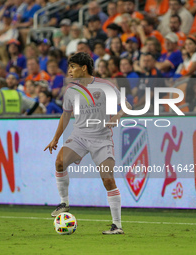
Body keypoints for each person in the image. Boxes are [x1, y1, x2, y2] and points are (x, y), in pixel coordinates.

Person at [44, 52, 132, 234]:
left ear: (83, 68)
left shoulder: (105, 86)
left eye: (73, 67)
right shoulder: (70, 91)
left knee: (108, 180)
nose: (69, 71)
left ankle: (117, 226)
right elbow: (66, 115)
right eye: (69, 67)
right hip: (79, 136)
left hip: (101, 138)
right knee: (60, 162)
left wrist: (117, 116)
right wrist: (55, 138)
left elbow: (127, 105)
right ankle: (64, 202)